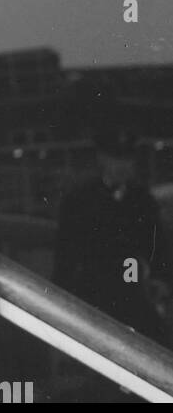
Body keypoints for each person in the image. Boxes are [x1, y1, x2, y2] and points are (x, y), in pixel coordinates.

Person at [54, 130, 171, 346]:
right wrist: (62, 297)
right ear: (102, 159)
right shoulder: (79, 200)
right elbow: (65, 254)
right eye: (116, 158)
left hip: (135, 292)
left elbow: (157, 245)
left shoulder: (142, 199)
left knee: (158, 348)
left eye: (127, 159)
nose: (122, 166)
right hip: (93, 294)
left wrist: (160, 279)